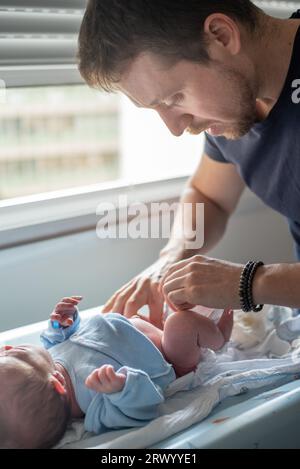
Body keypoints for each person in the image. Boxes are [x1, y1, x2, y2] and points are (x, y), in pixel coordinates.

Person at [77, 0, 300, 323]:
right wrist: (172, 257)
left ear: (221, 36)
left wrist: (251, 282)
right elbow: (209, 196)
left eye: (174, 99)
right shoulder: (234, 107)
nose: (177, 128)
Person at [0, 296, 233, 449]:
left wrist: (61, 326)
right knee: (180, 326)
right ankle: (219, 338)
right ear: (57, 384)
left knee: (175, 296)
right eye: (14, 353)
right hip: (170, 356)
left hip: (137, 325)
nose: (6, 347)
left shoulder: (52, 360)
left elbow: (58, 342)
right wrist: (121, 389)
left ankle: (202, 322)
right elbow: (141, 409)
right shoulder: (94, 405)